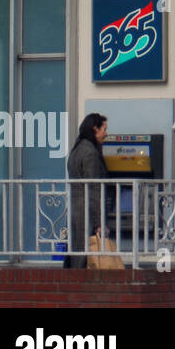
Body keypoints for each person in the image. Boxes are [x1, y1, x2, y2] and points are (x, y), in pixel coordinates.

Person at [66, 113, 110, 269]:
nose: (106, 133)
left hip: (76, 210)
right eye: (104, 129)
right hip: (87, 213)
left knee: (76, 254)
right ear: (95, 129)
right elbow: (94, 188)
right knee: (86, 257)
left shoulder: (76, 149)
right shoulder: (91, 153)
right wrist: (99, 222)